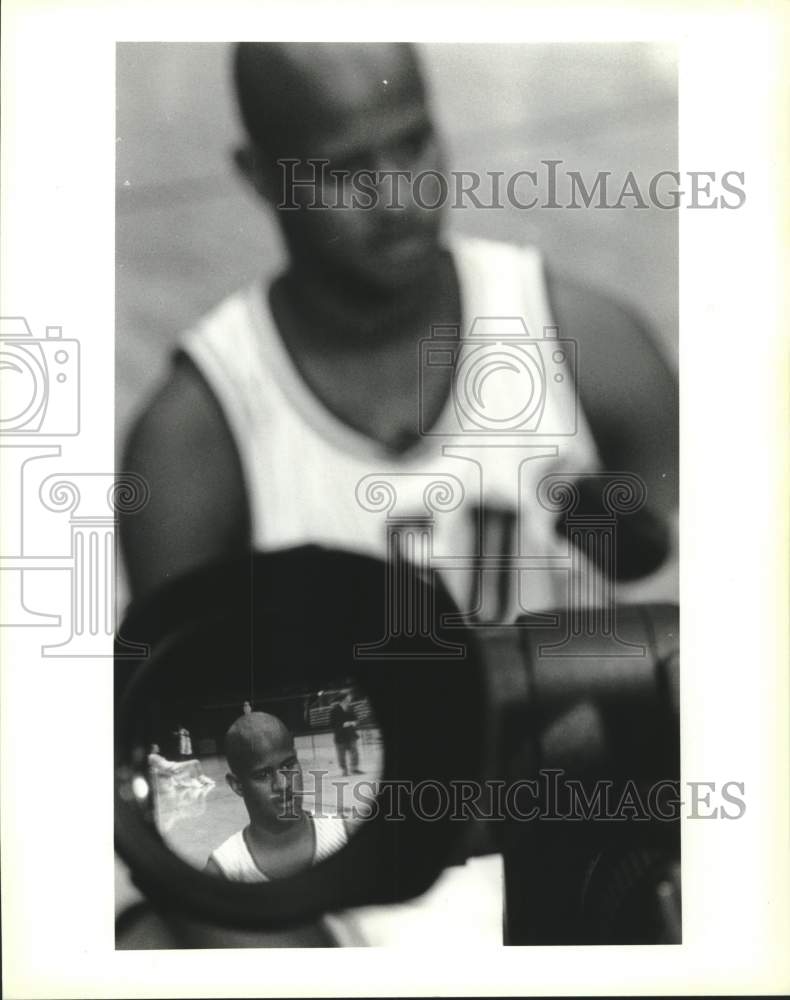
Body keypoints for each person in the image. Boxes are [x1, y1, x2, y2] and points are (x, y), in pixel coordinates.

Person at [120, 43, 678, 617]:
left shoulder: (592, 346)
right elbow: (173, 700)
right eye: (344, 170)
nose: (396, 198)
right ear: (260, 176)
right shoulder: (195, 440)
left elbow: (716, 631)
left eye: (413, 146)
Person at [205, 711, 348, 881]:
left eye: (288, 765)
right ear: (237, 785)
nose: (283, 784)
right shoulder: (224, 870)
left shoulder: (344, 833)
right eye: (263, 775)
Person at [147, 744, 214, 789]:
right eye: (156, 747)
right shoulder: (151, 756)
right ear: (152, 749)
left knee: (195, 762)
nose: (158, 748)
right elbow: (155, 767)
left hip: (174, 765)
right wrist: (168, 773)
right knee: (194, 762)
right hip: (173, 767)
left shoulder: (154, 756)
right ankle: (196, 780)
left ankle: (201, 778)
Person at [330, 692, 362, 777]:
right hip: (340, 735)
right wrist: (343, 724)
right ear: (344, 699)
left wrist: (355, 722)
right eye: (349, 697)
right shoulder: (334, 710)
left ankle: (354, 768)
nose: (350, 699)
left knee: (354, 752)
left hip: (351, 734)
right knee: (341, 754)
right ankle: (344, 770)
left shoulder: (350, 708)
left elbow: (356, 719)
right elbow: (332, 724)